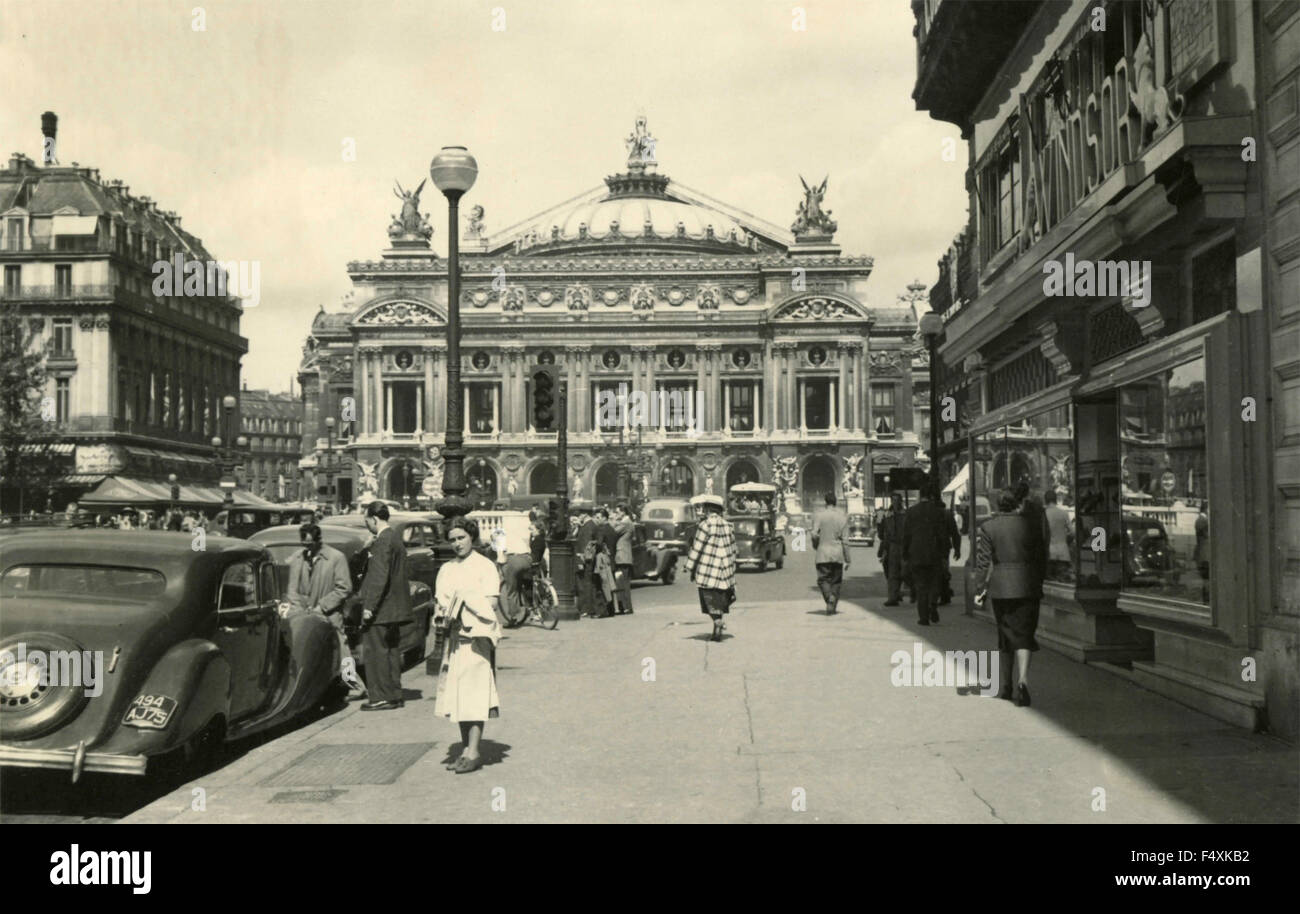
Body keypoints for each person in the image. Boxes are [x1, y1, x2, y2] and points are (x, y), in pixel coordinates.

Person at [432, 516, 502, 774]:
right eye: (452, 540)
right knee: (459, 696)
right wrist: (442, 611)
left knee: (475, 694)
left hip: (476, 637)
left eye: (461, 538)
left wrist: (464, 601)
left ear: (471, 536)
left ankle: (474, 751)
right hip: (454, 638)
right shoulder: (447, 568)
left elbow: (492, 602)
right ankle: (465, 749)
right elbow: (440, 599)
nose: (457, 544)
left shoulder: (485, 566)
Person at [974, 489, 1047, 706]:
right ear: (1017, 504)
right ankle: (1023, 680)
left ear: (997, 506)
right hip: (1027, 585)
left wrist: (979, 587)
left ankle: (1006, 685)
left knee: (1005, 634)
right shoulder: (1031, 525)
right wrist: (1039, 580)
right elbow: (1041, 557)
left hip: (1002, 588)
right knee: (1025, 633)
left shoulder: (988, 527)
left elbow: (983, 562)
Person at [286, 522, 364, 696]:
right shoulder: (297, 558)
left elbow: (344, 588)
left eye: (310, 544)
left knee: (341, 647)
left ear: (319, 540)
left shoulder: (336, 558)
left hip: (329, 613)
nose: (307, 549)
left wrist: (322, 606)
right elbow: (292, 589)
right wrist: (298, 608)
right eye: (304, 544)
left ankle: (355, 685)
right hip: (302, 613)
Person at [356, 502, 413, 711]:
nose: (367, 525)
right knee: (391, 652)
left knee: (376, 653)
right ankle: (394, 694)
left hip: (381, 609)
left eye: (366, 521)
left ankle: (380, 696)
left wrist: (369, 606)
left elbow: (379, 577)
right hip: (394, 609)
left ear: (374, 518)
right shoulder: (395, 539)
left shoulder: (382, 541)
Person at [902, 480, 958, 625]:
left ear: (920, 495)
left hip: (917, 553)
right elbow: (942, 535)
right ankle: (933, 604)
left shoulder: (911, 512)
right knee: (934, 582)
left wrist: (905, 553)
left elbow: (906, 535)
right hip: (934, 553)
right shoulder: (938, 512)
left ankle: (924, 617)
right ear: (932, 496)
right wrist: (945, 553)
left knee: (921, 586)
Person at [682, 495, 737, 642]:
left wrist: (688, 565)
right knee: (720, 598)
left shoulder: (705, 525)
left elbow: (697, 547)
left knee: (708, 598)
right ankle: (716, 627)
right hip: (724, 569)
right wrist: (732, 567)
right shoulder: (728, 525)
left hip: (708, 568)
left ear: (708, 509)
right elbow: (733, 549)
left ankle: (717, 622)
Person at [811, 491, 850, 615]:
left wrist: (816, 545)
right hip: (837, 553)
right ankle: (832, 603)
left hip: (823, 552)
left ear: (825, 502)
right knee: (836, 581)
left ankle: (829, 598)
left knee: (823, 579)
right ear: (836, 502)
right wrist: (848, 559)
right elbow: (846, 541)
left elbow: (814, 534)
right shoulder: (842, 517)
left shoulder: (819, 516)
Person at [877, 493, 907, 606]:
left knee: (905, 571)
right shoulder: (887, 515)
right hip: (892, 546)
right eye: (893, 500)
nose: (895, 502)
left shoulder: (906, 515)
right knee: (892, 572)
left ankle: (904, 591)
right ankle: (893, 597)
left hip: (904, 545)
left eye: (897, 500)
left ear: (901, 501)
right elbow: (882, 532)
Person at [573, 508, 600, 618]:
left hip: (585, 560)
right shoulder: (589, 525)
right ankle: (588, 608)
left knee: (585, 584)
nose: (578, 517)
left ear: (584, 514)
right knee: (587, 583)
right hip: (588, 559)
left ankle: (586, 608)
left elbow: (585, 545)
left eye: (579, 515)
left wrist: (581, 560)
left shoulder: (588, 526)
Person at [592, 507, 618, 618]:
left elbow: (599, 544)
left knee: (600, 585)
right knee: (609, 586)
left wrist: (593, 543)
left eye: (598, 517)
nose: (597, 520)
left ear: (604, 518)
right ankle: (610, 610)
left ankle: (601, 611)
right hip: (611, 561)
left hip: (602, 561)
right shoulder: (611, 529)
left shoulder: (601, 529)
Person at [1043, 489, 1073, 581]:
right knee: (1063, 581)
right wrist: (1066, 540)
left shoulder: (1044, 514)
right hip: (1063, 552)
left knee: (1050, 583)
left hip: (1049, 553)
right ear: (1055, 499)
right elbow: (1072, 532)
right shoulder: (1063, 513)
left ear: (1045, 500)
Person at [611, 503, 635, 615]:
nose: (617, 514)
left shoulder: (625, 523)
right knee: (622, 582)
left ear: (623, 512)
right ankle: (624, 607)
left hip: (622, 556)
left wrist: (613, 520)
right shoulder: (627, 522)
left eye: (618, 512)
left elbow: (613, 532)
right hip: (624, 556)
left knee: (622, 583)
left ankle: (626, 607)